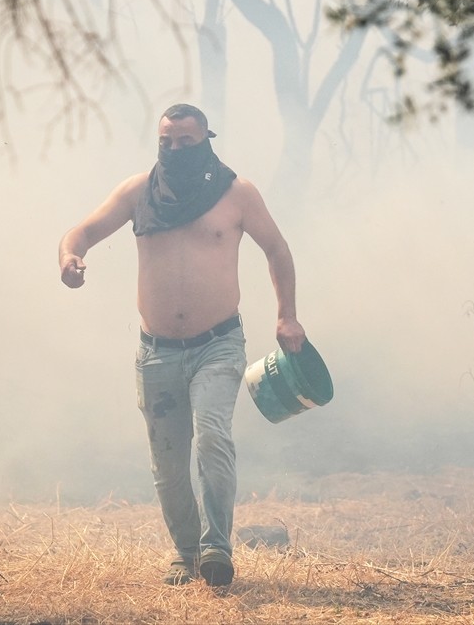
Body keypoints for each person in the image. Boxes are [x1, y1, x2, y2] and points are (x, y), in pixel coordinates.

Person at [58, 103, 305, 587]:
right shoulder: (139, 192)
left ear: (206, 140)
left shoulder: (237, 193)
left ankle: (216, 547)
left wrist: (287, 315)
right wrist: (69, 256)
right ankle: (187, 553)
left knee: (212, 435)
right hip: (157, 352)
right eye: (165, 142)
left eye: (185, 142)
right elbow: (82, 231)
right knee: (167, 464)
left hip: (218, 344)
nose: (173, 149)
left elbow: (277, 249)